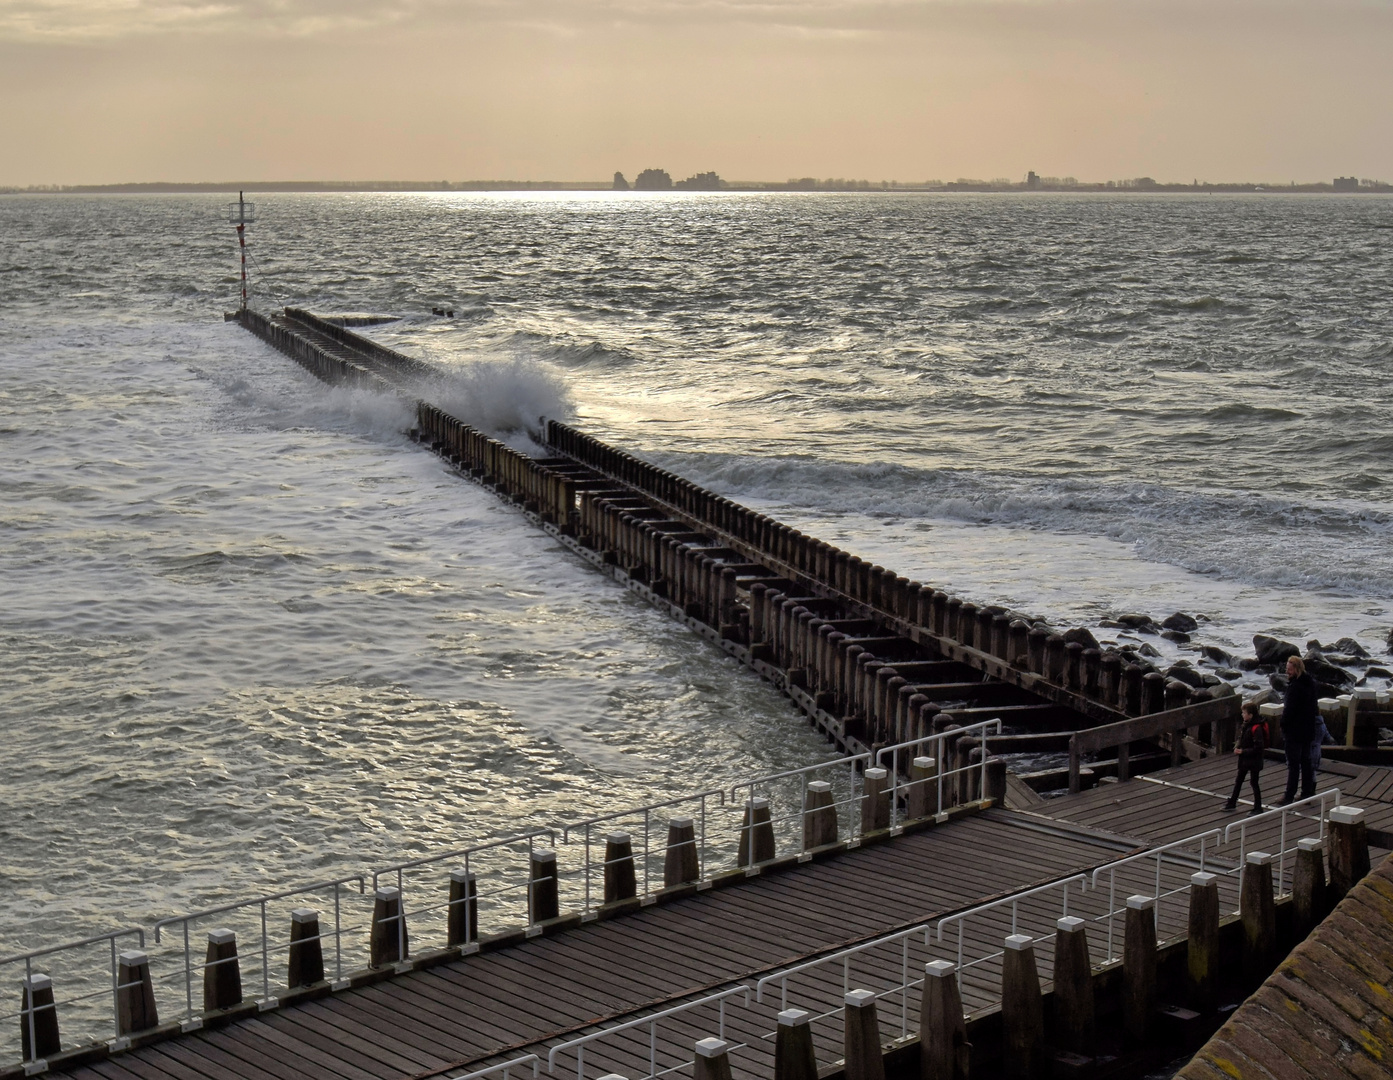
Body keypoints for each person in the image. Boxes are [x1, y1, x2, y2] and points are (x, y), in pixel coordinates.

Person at [1280, 654, 1318, 805]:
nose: (1287, 672)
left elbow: (1290, 710)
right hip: (1308, 729)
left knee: (1293, 763)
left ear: (1296, 669)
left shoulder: (1295, 687)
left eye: (1289, 669)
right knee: (1306, 761)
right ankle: (1307, 792)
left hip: (1295, 731)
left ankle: (1289, 795)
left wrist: (1283, 724)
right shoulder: (1311, 684)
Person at [1226, 701, 1267, 814]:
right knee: (1239, 780)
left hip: (1253, 760)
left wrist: (1242, 751)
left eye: (1244, 713)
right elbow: (1242, 739)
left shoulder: (1256, 728)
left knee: (1254, 782)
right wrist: (1238, 747)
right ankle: (1232, 802)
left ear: (1251, 715)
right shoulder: (1247, 725)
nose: (1242, 715)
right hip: (1245, 759)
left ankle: (1258, 807)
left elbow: (1259, 747)